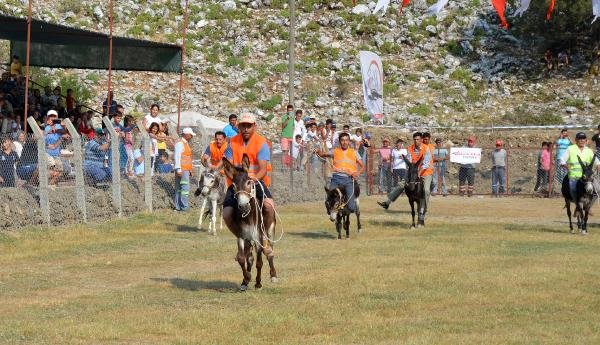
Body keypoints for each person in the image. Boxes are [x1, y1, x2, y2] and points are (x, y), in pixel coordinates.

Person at [222, 112, 275, 253]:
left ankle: (264, 236)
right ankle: (241, 236)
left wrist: (252, 180)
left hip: (255, 181)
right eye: (243, 125)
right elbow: (226, 165)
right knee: (226, 214)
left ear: (254, 126)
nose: (245, 128)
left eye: (249, 126)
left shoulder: (261, 143)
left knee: (269, 206)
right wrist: (234, 180)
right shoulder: (232, 142)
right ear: (238, 126)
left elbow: (263, 168)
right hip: (237, 184)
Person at [377, 132, 433, 213]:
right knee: (401, 184)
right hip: (412, 171)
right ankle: (387, 203)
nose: (416, 141)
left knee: (426, 190)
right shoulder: (410, 148)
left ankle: (423, 208)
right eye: (414, 139)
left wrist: (418, 172)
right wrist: (412, 172)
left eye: (417, 139)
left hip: (426, 172)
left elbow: (426, 164)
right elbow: (409, 161)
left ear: (421, 140)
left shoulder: (426, 148)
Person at [316, 132, 364, 213]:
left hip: (349, 180)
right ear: (339, 141)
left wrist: (357, 173)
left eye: (346, 140)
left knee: (352, 208)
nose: (344, 142)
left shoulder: (354, 152)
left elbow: (363, 166)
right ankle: (334, 212)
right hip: (336, 179)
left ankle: (350, 207)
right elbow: (322, 154)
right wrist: (318, 151)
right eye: (342, 140)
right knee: (328, 200)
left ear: (349, 141)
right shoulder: (335, 151)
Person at [560, 132, 597, 204]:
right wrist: (565, 165)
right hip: (574, 176)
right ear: (576, 140)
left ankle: (588, 206)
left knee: (597, 191)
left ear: (586, 140)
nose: (582, 140)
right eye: (580, 139)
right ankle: (577, 204)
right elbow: (562, 159)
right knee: (573, 189)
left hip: (587, 178)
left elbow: (596, 161)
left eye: (583, 139)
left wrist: (598, 165)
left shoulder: (589, 150)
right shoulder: (570, 149)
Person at [173, 127, 196, 211]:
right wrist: (178, 169)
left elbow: (187, 158)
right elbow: (177, 157)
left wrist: (190, 169)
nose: (191, 137)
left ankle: (178, 206)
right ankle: (184, 207)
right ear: (186, 135)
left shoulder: (185, 143)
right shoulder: (180, 143)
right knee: (184, 189)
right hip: (182, 170)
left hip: (185, 169)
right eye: (190, 135)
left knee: (180, 188)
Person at [280, 104, 295, 170]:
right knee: (284, 151)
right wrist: (288, 118)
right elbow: (283, 126)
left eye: (291, 111)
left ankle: (287, 165)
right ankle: (283, 166)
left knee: (289, 151)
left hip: (291, 136)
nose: (290, 112)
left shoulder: (294, 117)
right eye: (289, 111)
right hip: (284, 136)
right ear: (287, 110)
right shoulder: (284, 117)